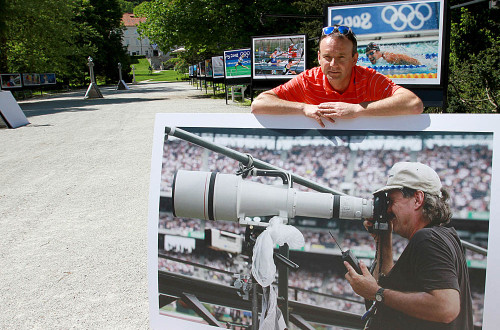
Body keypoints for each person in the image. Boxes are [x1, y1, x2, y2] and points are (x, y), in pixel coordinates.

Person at [343, 162, 473, 329]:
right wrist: (383, 238)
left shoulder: (428, 239)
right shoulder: (444, 235)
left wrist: (377, 293)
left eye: (391, 201)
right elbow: (394, 286)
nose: (387, 209)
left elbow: (446, 307)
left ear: (418, 199)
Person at [251, 25, 423, 127]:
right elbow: (258, 104)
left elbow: (414, 104)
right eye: (327, 57)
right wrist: (303, 108)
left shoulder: (367, 78)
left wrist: (358, 109)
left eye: (341, 57)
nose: (333, 65)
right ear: (319, 57)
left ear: (354, 58)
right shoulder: (308, 80)